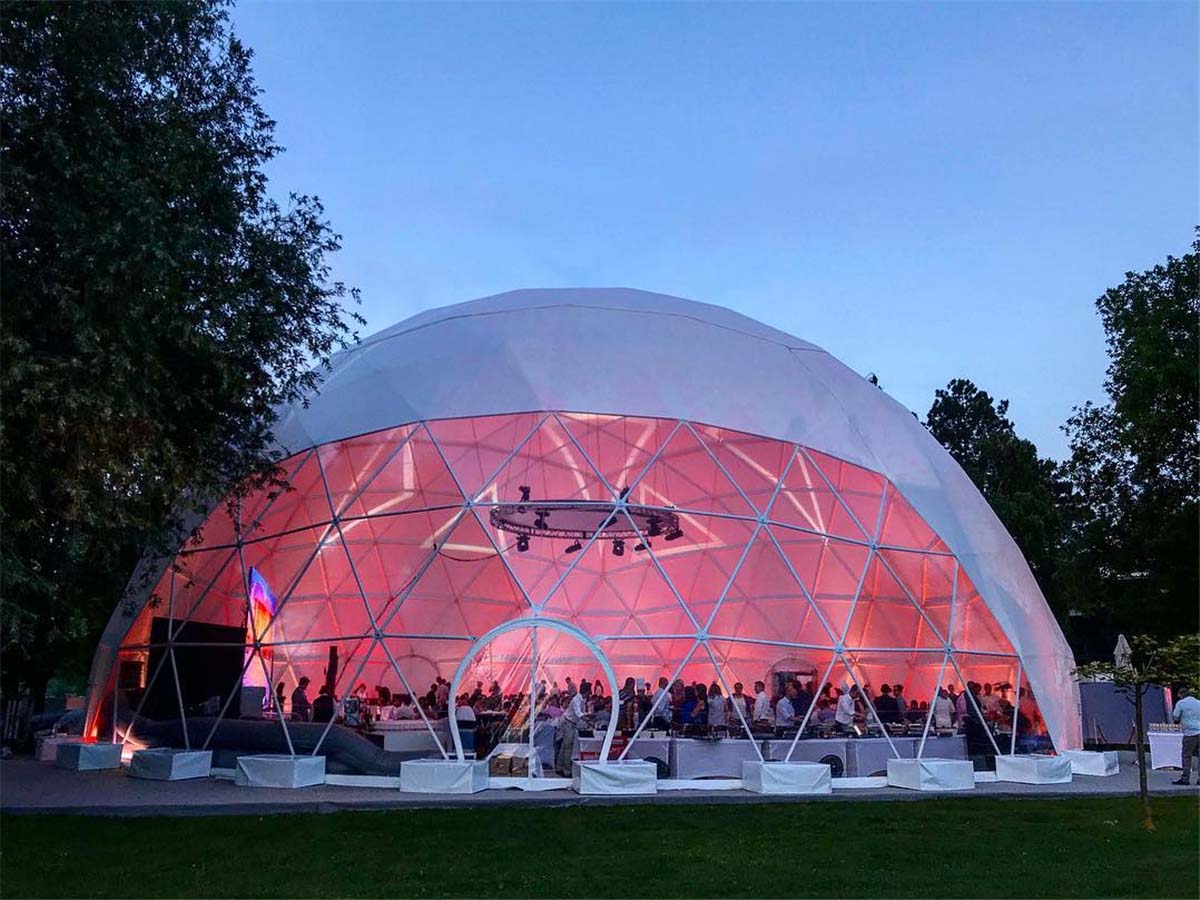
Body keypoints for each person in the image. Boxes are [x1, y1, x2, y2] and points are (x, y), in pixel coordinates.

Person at [556, 681, 589, 776]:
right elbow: (579, 713)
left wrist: (588, 717)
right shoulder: (576, 700)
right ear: (586, 691)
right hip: (568, 722)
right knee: (568, 747)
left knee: (564, 746)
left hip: (570, 722)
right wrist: (588, 719)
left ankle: (559, 767)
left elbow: (582, 713)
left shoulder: (581, 699)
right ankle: (566, 771)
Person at [1171, 687, 1200, 785]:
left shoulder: (1181, 703)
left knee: (1186, 756)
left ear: (1181, 694)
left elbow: (1175, 716)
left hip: (1189, 733)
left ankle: (1185, 778)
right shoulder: (1198, 703)